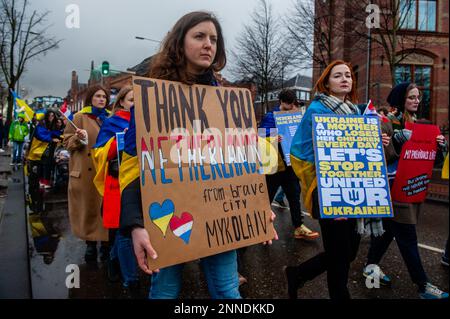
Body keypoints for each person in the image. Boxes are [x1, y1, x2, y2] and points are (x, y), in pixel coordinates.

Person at [119, 11, 276, 299]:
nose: (208, 45)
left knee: (228, 291)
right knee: (165, 291)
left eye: (214, 39)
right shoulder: (152, 96)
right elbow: (135, 164)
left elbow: (241, 161)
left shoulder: (225, 99)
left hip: (218, 213)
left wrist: (255, 206)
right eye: (200, 36)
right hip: (167, 213)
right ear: (180, 42)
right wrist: (135, 224)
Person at [285, 60, 391, 299]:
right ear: (327, 82)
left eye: (348, 75)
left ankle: (298, 274)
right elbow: (300, 151)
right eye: (337, 76)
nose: (345, 79)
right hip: (328, 191)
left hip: (355, 189)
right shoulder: (316, 110)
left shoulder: (356, 112)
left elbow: (359, 151)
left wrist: (376, 141)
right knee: (340, 255)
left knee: (348, 252)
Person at [363, 82, 449, 299]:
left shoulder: (418, 124)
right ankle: (423, 286)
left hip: (411, 185)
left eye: (418, 97)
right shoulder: (386, 122)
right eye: (412, 97)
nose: (417, 101)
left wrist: (439, 147)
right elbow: (376, 156)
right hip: (393, 188)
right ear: (401, 99)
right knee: (407, 236)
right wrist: (395, 143)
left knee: (389, 231)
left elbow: (430, 159)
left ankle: (370, 266)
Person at [92, 85, 139, 290]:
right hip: (119, 182)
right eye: (131, 100)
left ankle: (113, 257)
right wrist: (120, 139)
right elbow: (99, 153)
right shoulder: (112, 122)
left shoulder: (148, 119)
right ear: (121, 102)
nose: (136, 105)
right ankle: (132, 279)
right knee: (124, 230)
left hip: (142, 181)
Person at [259, 89, 319, 240]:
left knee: (294, 195)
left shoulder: (296, 114)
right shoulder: (270, 116)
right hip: (274, 165)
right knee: (268, 197)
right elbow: (259, 136)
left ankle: (298, 227)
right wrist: (272, 136)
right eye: (288, 106)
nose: (291, 108)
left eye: (293, 105)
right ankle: (263, 228)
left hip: (290, 165)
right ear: (281, 102)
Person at [63, 84, 111, 263]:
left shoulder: (109, 119)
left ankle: (105, 247)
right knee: (89, 210)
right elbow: (66, 143)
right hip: (85, 173)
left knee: (105, 210)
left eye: (104, 97)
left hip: (104, 171)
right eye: (98, 96)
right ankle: (90, 245)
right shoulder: (79, 117)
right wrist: (78, 138)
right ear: (90, 98)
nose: (101, 99)